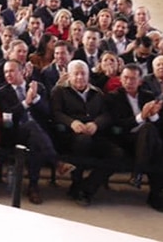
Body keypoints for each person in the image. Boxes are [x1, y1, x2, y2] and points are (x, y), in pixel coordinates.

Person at [50, 59, 122, 207]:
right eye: (76, 74)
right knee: (83, 141)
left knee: (117, 154)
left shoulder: (97, 92)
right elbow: (55, 113)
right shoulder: (59, 91)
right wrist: (71, 123)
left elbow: (106, 115)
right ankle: (77, 183)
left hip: (93, 133)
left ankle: (87, 187)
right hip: (69, 135)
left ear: (88, 75)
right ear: (69, 75)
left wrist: (96, 124)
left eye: (83, 74)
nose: (80, 77)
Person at [0, 58, 64, 205]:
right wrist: (25, 103)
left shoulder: (38, 87)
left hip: (38, 135)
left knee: (35, 141)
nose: (8, 75)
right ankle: (55, 162)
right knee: (32, 126)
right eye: (6, 72)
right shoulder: (2, 92)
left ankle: (33, 187)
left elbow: (48, 113)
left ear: (22, 72)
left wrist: (36, 98)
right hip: (14, 133)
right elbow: (7, 117)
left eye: (11, 71)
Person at [105, 64, 162, 211]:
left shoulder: (148, 96)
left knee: (151, 133)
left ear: (140, 81)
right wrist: (141, 117)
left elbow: (160, 127)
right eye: (125, 78)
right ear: (120, 79)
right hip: (125, 139)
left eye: (133, 79)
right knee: (150, 135)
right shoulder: (113, 97)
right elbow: (117, 124)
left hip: (147, 142)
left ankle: (140, 177)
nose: (129, 82)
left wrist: (154, 115)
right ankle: (152, 191)